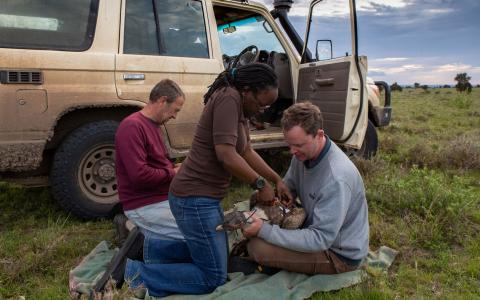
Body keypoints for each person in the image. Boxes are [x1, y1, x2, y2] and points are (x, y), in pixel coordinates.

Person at [124, 63, 292, 297]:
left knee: (217, 255)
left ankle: (152, 250)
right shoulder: (228, 98)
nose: (262, 110)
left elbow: (246, 151)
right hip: (193, 200)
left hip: (202, 198)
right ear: (247, 90)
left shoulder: (240, 106)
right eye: (261, 103)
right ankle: (133, 273)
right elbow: (226, 154)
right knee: (212, 276)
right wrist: (259, 184)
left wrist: (276, 179)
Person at [242, 102, 369, 275]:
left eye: (299, 145)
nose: (292, 151)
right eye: (289, 145)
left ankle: (270, 261)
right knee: (257, 200)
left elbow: (320, 239)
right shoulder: (302, 154)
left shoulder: (337, 178)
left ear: (319, 135)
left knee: (257, 247)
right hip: (315, 230)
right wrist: (281, 195)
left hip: (338, 254)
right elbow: (290, 187)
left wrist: (265, 231)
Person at [114, 79, 187, 267]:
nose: (175, 116)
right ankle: (139, 247)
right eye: (175, 110)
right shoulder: (132, 126)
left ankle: (136, 230)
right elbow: (139, 176)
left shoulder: (153, 126)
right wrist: (173, 173)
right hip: (144, 203)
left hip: (160, 198)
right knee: (198, 236)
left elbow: (157, 165)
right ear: (162, 101)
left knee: (206, 223)